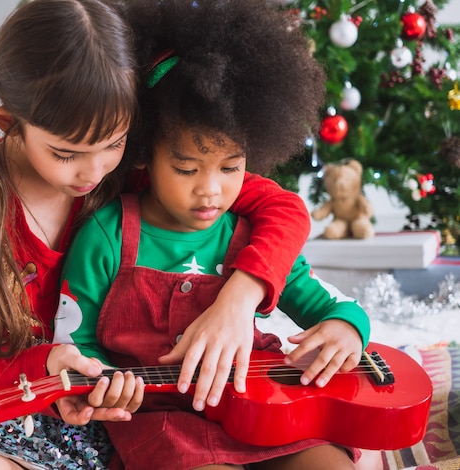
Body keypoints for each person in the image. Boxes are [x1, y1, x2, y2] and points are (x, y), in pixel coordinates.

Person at [0, 0, 316, 469]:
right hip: (18, 406)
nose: (93, 170)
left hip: (131, 410)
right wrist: (46, 366)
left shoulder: (134, 169)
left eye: (114, 143)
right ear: (8, 122)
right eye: (66, 153)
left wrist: (238, 301)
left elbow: (282, 209)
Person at [52, 0, 376, 469]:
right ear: (142, 154)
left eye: (231, 167)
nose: (211, 189)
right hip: (165, 423)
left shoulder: (248, 234)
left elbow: (329, 303)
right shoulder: (106, 235)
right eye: (186, 168)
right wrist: (103, 381)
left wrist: (349, 328)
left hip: (265, 411)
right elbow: (73, 339)